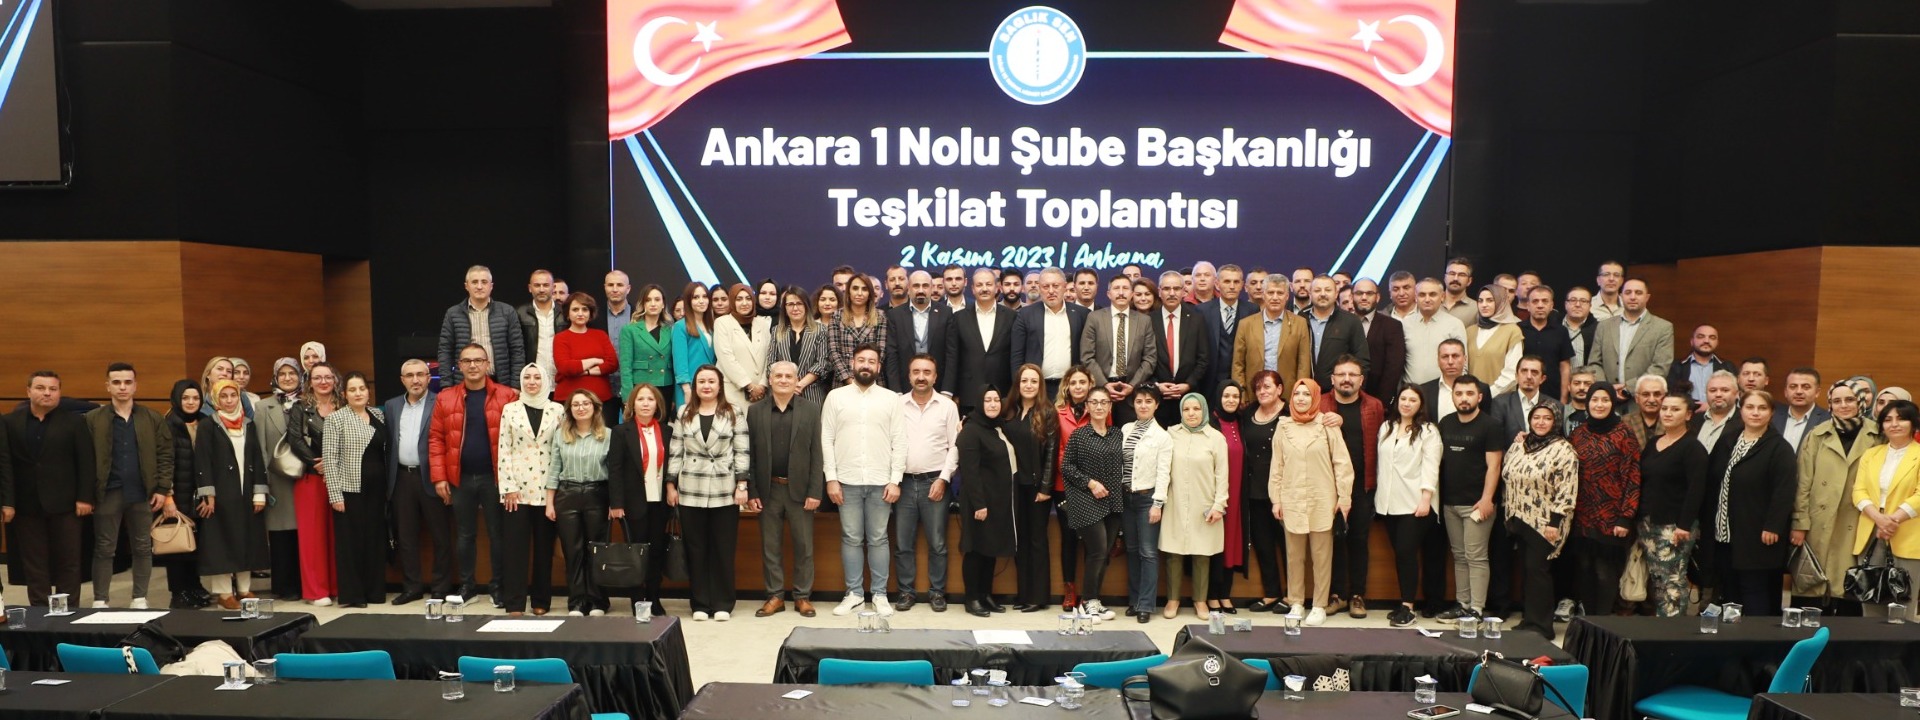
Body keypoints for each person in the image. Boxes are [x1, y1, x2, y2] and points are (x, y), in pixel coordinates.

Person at [429, 343, 518, 605]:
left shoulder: (506, 396)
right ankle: (467, 587)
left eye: (478, 360)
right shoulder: (446, 397)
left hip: (495, 478)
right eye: (467, 361)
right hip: (461, 478)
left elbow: (516, 441)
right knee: (465, 535)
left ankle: (498, 587)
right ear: (459, 365)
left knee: (497, 534)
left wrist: (512, 479)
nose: (473, 365)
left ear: (487, 364)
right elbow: (436, 439)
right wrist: (440, 477)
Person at [824, 346, 908, 616]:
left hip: (881, 481)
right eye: (861, 360)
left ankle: (880, 594)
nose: (866, 365)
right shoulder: (835, 397)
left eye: (872, 361)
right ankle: (854, 594)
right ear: (852, 363)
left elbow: (900, 441)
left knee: (878, 538)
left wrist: (895, 480)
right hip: (846, 480)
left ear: (879, 367)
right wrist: (831, 478)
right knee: (851, 538)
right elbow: (827, 438)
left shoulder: (891, 399)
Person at [84, 363, 173, 609]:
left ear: (135, 385)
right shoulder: (93, 419)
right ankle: (100, 599)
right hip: (107, 493)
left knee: (142, 547)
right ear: (108, 386)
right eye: (116, 382)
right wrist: (88, 494)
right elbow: (85, 459)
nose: (122, 387)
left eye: (127, 382)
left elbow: (165, 455)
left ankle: (139, 598)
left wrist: (162, 489)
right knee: (104, 548)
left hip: (143, 493)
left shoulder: (151, 418)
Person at [667, 365, 751, 621]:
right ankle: (700, 604)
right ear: (694, 386)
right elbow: (676, 450)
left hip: (724, 488)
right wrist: (671, 484)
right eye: (701, 381)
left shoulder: (734, 412)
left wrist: (742, 485)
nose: (706, 386)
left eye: (711, 381)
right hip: (691, 487)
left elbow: (742, 450)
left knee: (723, 549)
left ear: (719, 386)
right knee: (696, 549)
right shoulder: (684, 412)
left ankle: (723, 602)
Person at [1792, 380, 1883, 614]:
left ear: (1861, 402)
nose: (1843, 405)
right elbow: (1803, 483)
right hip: (1819, 520)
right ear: (1830, 404)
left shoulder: (1877, 435)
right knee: (1812, 585)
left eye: (1850, 399)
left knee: (1848, 587)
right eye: (1837, 401)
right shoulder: (1817, 435)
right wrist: (1800, 522)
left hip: (1858, 519)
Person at [1705, 390, 1797, 615]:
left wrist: (1773, 525)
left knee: (1754, 592)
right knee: (1729, 592)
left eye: (1762, 408)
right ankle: (1733, 636)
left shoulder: (1779, 448)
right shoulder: (1728, 440)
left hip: (1758, 535)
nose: (1755, 413)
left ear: (1772, 413)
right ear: (1741, 410)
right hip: (1724, 533)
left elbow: (1784, 492)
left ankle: (1758, 636)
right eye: (1750, 407)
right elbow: (1712, 480)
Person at [1270, 378, 1354, 625]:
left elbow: (1342, 464)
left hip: (1322, 499)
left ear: (1315, 397)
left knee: (1322, 556)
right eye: (1297, 393)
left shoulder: (1327, 425)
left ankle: (1319, 605)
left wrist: (1344, 497)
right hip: (1292, 498)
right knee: (1294, 556)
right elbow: (1277, 466)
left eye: (1307, 394)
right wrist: (1276, 499)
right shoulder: (1283, 426)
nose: (1301, 398)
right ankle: (1296, 602)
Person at [746, 362, 824, 618]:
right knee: (770, 546)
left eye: (788, 376)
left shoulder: (811, 410)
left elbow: (817, 454)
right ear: (769, 380)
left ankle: (802, 597)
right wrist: (752, 491)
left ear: (796, 380)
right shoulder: (755, 411)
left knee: (804, 547)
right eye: (778, 376)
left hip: (800, 491)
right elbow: (750, 455)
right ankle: (775, 596)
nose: (783, 380)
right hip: (768, 490)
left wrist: (815, 491)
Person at [1501, 405, 1580, 639]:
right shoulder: (1520, 445)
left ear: (1556, 422)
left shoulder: (1564, 450)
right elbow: (1507, 475)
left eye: (1547, 418)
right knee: (1527, 571)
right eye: (1536, 417)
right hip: (1519, 518)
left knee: (1538, 572)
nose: (1541, 422)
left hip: (1546, 521)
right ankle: (1529, 620)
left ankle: (1542, 627)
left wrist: (1554, 522)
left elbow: (1567, 489)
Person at [193, 380, 269, 610]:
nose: (229, 400)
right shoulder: (208, 425)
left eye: (233, 395)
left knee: (247, 539)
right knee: (222, 542)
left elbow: (257, 458)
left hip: (246, 492)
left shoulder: (248, 424)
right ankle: (224, 593)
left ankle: (244, 589)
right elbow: (203, 461)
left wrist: (259, 492)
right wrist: (208, 493)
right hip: (221, 494)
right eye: (223, 396)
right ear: (216, 399)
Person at [1568, 382, 1641, 616]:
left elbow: (1633, 477)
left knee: (1604, 572)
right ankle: (1590, 620)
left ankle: (1603, 623)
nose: (1599, 405)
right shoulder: (1578, 434)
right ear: (1587, 403)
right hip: (1582, 515)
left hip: (1612, 517)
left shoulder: (1624, 434)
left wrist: (1625, 517)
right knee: (1584, 570)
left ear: (1613, 403)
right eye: (1595, 400)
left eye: (1605, 400)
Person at [894, 355, 960, 612]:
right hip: (903, 483)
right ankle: (906, 592)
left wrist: (944, 479)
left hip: (936, 481)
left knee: (938, 543)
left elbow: (954, 447)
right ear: (909, 375)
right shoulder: (897, 404)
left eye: (927, 372)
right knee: (903, 544)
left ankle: (937, 592)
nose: (921, 377)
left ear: (935, 376)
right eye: (916, 372)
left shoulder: (947, 407)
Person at [1437, 374, 1503, 622]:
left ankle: (1476, 608)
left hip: (1477, 504)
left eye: (1469, 394)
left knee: (1476, 557)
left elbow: (1494, 466)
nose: (1464, 398)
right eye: (1459, 394)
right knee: (1459, 556)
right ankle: (1462, 604)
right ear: (1453, 396)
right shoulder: (1445, 423)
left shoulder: (1490, 425)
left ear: (1480, 397)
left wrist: (1487, 499)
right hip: (1450, 503)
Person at [385, 359, 452, 604]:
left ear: (428, 377)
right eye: (410, 375)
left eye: (420, 374)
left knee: (441, 536)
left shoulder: (441, 402)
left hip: (433, 477)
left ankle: (441, 588)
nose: (415, 380)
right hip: (402, 478)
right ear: (402, 380)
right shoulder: (391, 406)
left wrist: (444, 477)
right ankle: (412, 587)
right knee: (406, 537)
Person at [1378, 384, 1445, 626]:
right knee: (1400, 554)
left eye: (1412, 400)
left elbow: (1431, 465)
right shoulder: (1387, 427)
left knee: (1407, 553)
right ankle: (1403, 603)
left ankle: (1408, 607)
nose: (1407, 403)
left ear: (1421, 405)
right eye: (1403, 399)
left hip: (1415, 504)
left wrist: (1426, 497)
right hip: (1388, 503)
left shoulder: (1428, 431)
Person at [1160, 393, 1231, 620]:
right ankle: (1173, 599)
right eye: (1186, 409)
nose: (1191, 414)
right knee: (1173, 552)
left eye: (1196, 409)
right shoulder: (1171, 434)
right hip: (1175, 501)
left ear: (1204, 411)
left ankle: (1200, 601)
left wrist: (1219, 504)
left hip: (1205, 503)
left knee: (1203, 553)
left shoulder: (1216, 438)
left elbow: (1222, 475)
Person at [497, 364, 560, 616]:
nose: (532, 382)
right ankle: (514, 602)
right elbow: (504, 448)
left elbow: (561, 450)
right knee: (515, 549)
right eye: (527, 377)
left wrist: (557, 489)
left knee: (544, 549)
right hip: (517, 491)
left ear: (545, 381)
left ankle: (541, 601)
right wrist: (508, 487)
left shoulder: (557, 410)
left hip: (548, 490)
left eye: (537, 378)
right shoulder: (510, 409)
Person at [321, 372, 389, 607]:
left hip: (377, 490)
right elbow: (330, 460)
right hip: (350, 490)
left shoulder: (378, 414)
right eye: (352, 390)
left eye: (361, 388)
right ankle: (354, 595)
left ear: (368, 392)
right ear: (344, 394)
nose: (358, 393)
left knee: (375, 540)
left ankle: (375, 592)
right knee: (351, 544)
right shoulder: (335, 419)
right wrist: (335, 495)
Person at [1323, 357, 1383, 619]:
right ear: (1332, 379)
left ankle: (1358, 594)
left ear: (1361, 379)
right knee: (1333, 540)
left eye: (1352, 374)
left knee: (1359, 540)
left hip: (1362, 486)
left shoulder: (1374, 406)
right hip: (1328, 487)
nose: (1346, 379)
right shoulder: (1321, 404)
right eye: (1341, 374)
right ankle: (1336, 595)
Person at [545, 390, 613, 616]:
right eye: (576, 404)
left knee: (596, 549)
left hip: (597, 494)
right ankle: (576, 601)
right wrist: (550, 503)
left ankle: (598, 601)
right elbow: (554, 468)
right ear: (570, 410)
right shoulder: (561, 435)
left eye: (586, 403)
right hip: (568, 495)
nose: (581, 408)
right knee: (572, 551)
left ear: (595, 407)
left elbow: (614, 471)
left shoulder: (608, 435)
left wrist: (614, 503)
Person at [1640, 394, 1708, 617]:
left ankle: (1674, 628)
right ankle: (1662, 625)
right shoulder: (1653, 443)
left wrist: (1684, 525)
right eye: (1665, 408)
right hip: (1648, 522)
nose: (1668, 413)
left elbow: (1696, 489)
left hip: (1675, 525)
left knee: (1673, 580)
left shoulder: (1692, 447)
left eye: (1675, 409)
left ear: (1688, 415)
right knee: (1658, 578)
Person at [1852, 400, 1920, 617]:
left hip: (1907, 535)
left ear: (1913, 423)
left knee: (1902, 606)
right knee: (1870, 603)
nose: (1894, 424)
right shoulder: (1871, 454)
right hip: (1872, 532)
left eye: (1901, 419)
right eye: (1888, 420)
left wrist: (1892, 520)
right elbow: (1858, 491)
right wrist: (1879, 519)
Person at [1061, 391, 1125, 622]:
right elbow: (1067, 467)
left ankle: (1094, 600)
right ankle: (1087, 602)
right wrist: (1090, 483)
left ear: (1110, 407)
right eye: (1094, 402)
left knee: (1104, 553)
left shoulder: (1118, 434)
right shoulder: (1079, 435)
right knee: (1097, 550)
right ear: (1087, 406)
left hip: (1113, 500)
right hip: (1085, 499)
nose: (1099, 406)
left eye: (1104, 402)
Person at [955, 387, 1018, 617]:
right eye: (987, 400)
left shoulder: (997, 427)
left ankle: (985, 594)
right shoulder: (971, 431)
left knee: (990, 549)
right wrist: (979, 504)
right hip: (978, 502)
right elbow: (969, 472)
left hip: (997, 500)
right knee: (976, 550)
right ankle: (972, 598)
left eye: (996, 400)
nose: (992, 404)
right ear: (979, 403)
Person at [285, 362, 341, 606]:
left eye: (328, 377)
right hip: (311, 479)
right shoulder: (300, 407)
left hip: (341, 477)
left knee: (337, 534)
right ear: (309, 382)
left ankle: (337, 586)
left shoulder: (344, 405)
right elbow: (295, 439)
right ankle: (316, 591)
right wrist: (317, 463)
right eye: (318, 377)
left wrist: (333, 463)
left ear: (335, 380)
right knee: (313, 538)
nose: (323, 382)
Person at [1006, 364, 1058, 612]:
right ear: (1018, 384)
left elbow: (1051, 453)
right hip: (1013, 487)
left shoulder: (1047, 412)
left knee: (1037, 541)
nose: (1028, 385)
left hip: (1037, 488)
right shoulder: (1009, 411)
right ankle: (1023, 594)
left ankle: (1038, 597)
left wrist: (1046, 488)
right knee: (1020, 541)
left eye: (1034, 381)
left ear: (1040, 386)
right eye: (1024, 380)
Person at [1117, 389, 1171, 622]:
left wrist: (1157, 503)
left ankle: (1146, 605)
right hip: (1126, 497)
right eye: (1139, 401)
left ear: (1156, 405)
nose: (1143, 405)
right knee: (1131, 549)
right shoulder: (1125, 429)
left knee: (1148, 552)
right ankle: (1134, 600)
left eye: (1148, 401)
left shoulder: (1163, 436)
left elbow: (1164, 473)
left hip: (1147, 499)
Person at [1239, 371, 1289, 612]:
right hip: (1255, 490)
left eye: (1267, 387)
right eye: (1258, 388)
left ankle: (1292, 596)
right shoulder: (1247, 413)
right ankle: (1271, 593)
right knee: (1263, 544)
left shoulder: (1291, 413)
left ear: (1279, 389)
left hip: (1284, 491)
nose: (1262, 391)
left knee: (1288, 546)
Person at [161, 382, 213, 609]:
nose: (191, 402)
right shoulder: (168, 424)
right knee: (177, 546)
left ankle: (194, 587)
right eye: (185, 398)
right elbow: (164, 462)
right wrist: (168, 496)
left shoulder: (205, 422)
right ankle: (178, 593)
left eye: (195, 398)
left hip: (198, 494)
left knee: (195, 544)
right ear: (176, 399)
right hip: (176, 495)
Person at [256, 358, 304, 599]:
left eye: (292, 373)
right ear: (275, 377)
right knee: (280, 534)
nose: (287, 378)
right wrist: (263, 484)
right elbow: (260, 447)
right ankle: (284, 586)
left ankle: (306, 585)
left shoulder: (308, 402)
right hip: (276, 480)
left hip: (305, 478)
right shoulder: (263, 407)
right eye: (282, 374)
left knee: (304, 534)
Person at [1010, 268, 1091, 400]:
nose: (1051, 291)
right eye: (1046, 286)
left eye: (1056, 286)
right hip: (1036, 388)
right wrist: (1019, 386)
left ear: (1065, 287)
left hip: (1070, 387)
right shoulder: (1025, 315)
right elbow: (1017, 356)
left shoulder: (1082, 314)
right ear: (1039, 288)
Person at [1052, 367, 1096, 609]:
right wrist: (1077, 476)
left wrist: (1089, 480)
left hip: (1093, 487)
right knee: (1068, 539)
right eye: (1073, 382)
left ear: (1090, 385)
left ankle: (1090, 593)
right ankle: (1069, 590)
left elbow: (1105, 446)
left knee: (1091, 540)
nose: (1078, 386)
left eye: (1082, 382)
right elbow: (1058, 451)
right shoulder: (1058, 413)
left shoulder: (1099, 409)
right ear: (1067, 387)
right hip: (1065, 485)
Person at [439, 265, 526, 388]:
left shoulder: (507, 312)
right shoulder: (453, 314)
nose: (479, 286)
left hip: (500, 383)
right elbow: (445, 351)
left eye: (484, 282)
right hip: (464, 384)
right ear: (466, 286)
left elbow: (517, 350)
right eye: (474, 282)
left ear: (491, 286)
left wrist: (516, 385)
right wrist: (446, 385)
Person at [945, 268, 1015, 415]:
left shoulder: (1012, 317)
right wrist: (952, 392)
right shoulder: (958, 318)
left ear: (997, 287)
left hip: (1002, 394)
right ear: (972, 289)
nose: (984, 289)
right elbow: (953, 358)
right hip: (968, 394)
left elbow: (1015, 356)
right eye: (979, 285)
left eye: (988, 284)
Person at [1230, 272, 1313, 393]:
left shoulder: (1300, 323)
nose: (1275, 297)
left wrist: (1299, 393)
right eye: (1270, 293)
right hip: (1254, 393)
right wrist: (1241, 393)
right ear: (1264, 295)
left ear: (1287, 296)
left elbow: (1303, 365)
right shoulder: (1245, 324)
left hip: (1287, 393)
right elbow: (1238, 364)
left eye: (1280, 293)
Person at [1583, 278, 1674, 387]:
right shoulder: (1604, 326)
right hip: (1607, 394)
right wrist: (1607, 389)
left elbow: (1660, 367)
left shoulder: (1662, 328)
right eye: (1628, 292)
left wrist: (1627, 389)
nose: (1632, 297)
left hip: (1642, 394)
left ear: (1647, 297)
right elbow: (1594, 363)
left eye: (1638, 293)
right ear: (1621, 296)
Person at [1206, 382, 1248, 614]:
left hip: (1237, 495)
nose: (1231, 400)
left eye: (1235, 396)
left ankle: (1225, 595)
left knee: (1231, 544)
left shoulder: (1242, 422)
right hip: (1214, 495)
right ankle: (1212, 596)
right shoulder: (1210, 422)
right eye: (1226, 396)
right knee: (1215, 545)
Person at [1152, 270, 1212, 427]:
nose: (1172, 293)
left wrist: (1189, 384)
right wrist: (1157, 385)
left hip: (1189, 397)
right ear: (1159, 291)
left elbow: (1203, 358)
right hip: (1158, 399)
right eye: (1166, 289)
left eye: (1176, 288)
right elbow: (1144, 357)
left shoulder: (1196, 319)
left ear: (1184, 291)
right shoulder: (1149, 320)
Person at [885, 271, 951, 392]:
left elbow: (951, 354)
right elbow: (891, 355)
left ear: (931, 288)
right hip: (904, 387)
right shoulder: (895, 315)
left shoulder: (946, 313)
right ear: (908, 288)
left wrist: (947, 391)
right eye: (916, 286)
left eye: (925, 286)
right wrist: (896, 391)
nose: (921, 290)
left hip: (938, 387)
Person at [555, 292, 621, 412]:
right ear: (568, 314)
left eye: (585, 309)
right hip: (569, 400)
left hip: (601, 399)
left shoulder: (600, 335)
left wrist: (585, 371)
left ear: (590, 313)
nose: (580, 313)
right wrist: (594, 360)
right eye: (575, 309)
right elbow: (565, 367)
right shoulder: (560, 338)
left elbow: (613, 364)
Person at [767, 286, 830, 404]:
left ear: (806, 306)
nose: (795, 308)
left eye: (799, 303)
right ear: (784, 308)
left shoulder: (820, 330)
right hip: (781, 394)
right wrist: (787, 384)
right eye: (790, 304)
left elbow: (823, 363)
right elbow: (771, 363)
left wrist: (800, 384)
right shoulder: (777, 331)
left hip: (811, 393)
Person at [1305, 276, 1370, 390]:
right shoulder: (1300, 318)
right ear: (1310, 294)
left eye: (1328, 290)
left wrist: (1355, 392)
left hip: (1339, 392)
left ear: (1336, 294)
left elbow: (1362, 361)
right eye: (1317, 290)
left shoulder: (1351, 321)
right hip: (1305, 391)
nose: (1323, 294)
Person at [1401, 278, 1468, 387]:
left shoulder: (1455, 324)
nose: (1427, 299)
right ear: (1415, 297)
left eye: (1432, 294)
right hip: (1411, 390)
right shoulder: (1405, 324)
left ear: (1442, 297)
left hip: (1443, 390)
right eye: (1422, 295)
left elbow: (1463, 364)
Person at [618, 284, 676, 411]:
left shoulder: (671, 329)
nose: (653, 304)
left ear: (663, 304)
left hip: (665, 387)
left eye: (657, 299)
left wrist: (675, 397)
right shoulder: (630, 330)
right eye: (648, 300)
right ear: (643, 304)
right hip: (640, 388)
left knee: (662, 423)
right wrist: (627, 396)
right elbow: (625, 367)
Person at [713, 284, 771, 408]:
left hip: (761, 393)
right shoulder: (722, 323)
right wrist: (749, 386)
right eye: (739, 299)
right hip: (733, 391)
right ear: (732, 301)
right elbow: (726, 358)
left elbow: (769, 356)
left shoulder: (762, 323)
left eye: (748, 298)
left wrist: (763, 384)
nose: (744, 303)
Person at [828, 275, 889, 389]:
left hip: (873, 381)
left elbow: (881, 351)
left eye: (864, 289)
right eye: (855, 288)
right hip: (843, 382)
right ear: (848, 292)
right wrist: (849, 380)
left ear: (870, 293)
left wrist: (867, 379)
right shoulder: (837, 316)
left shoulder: (880, 316)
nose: (859, 293)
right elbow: (833, 352)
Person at [1352, 278, 1407, 402]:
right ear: (1352, 297)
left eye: (1369, 293)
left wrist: (1381, 402)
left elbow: (1393, 368)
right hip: (1343, 395)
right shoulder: (1342, 323)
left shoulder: (1392, 326)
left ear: (1377, 297)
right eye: (1359, 293)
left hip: (1377, 397)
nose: (1364, 297)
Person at [1466, 284, 1525, 396]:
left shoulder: (1512, 331)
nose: (1484, 305)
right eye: (1480, 301)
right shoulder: (1470, 331)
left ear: (1500, 302)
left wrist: (1487, 394)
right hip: (1470, 398)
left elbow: (1512, 373)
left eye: (1490, 300)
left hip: (1500, 399)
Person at [1198, 264, 1248, 395]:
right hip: (1210, 381)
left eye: (1236, 282)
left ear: (1242, 285)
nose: (1232, 286)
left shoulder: (1252, 310)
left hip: (1241, 380)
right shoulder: (1202, 311)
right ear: (1217, 284)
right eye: (1227, 281)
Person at [670, 283, 718, 407]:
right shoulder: (680, 326)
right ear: (688, 301)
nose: (701, 301)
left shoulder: (713, 325)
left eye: (704, 297)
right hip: (689, 387)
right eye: (696, 297)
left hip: (710, 387)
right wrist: (687, 389)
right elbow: (680, 362)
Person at [1669, 325, 1733, 407]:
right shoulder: (1677, 366)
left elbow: (1734, 395)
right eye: (1701, 337)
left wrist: (1710, 406)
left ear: (1717, 342)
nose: (1706, 341)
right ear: (1692, 341)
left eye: (1712, 338)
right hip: (1687, 412)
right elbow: (1671, 394)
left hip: (1718, 411)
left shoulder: (1727, 366)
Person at [518, 269, 564, 383]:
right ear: (530, 288)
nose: (542, 289)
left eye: (546, 285)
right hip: (533, 381)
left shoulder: (566, 313)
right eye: (537, 285)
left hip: (561, 379)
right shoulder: (520, 313)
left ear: (553, 287)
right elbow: (516, 351)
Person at [1773, 368, 1830, 452]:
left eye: (1806, 387)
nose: (1799, 391)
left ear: (1817, 392)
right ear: (1785, 392)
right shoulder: (1772, 417)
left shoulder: (1828, 420)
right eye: (1793, 387)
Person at [1440, 258, 1478, 327]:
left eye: (1461, 275)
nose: (1455, 278)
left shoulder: (1476, 308)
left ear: (1469, 281)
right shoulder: (1431, 303)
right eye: (1452, 274)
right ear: (1445, 278)